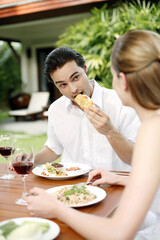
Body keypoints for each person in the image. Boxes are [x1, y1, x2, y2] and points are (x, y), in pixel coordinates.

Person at [25, 30, 160, 239]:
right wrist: (120, 179)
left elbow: (118, 233)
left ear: (122, 80)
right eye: (62, 84)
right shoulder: (152, 125)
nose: (73, 89)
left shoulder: (150, 130)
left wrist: (58, 209)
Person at [35, 46, 140, 171]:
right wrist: (30, 161)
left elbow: (136, 158)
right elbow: (54, 149)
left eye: (75, 78)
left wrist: (110, 131)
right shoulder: (55, 109)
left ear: (85, 69)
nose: (73, 89)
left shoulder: (121, 103)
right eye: (63, 85)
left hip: (113, 184)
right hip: (72, 186)